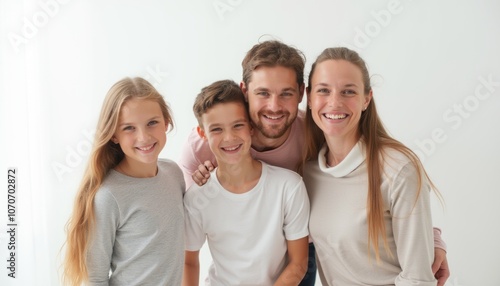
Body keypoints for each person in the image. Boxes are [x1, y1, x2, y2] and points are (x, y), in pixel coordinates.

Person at [178, 40, 450, 285]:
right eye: (263, 93)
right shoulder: (205, 143)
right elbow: (192, 213)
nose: (274, 106)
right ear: (245, 90)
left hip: (299, 247)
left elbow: (392, 185)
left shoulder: (316, 131)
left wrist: (430, 241)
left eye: (285, 93)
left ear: (301, 93)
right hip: (238, 257)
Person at [301, 47, 447, 285]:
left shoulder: (398, 169)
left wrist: (434, 241)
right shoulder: (309, 172)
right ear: (309, 97)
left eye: (348, 91)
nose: (334, 102)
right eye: (323, 90)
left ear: (366, 99)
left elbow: (417, 278)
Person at [182, 80, 310, 285]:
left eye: (237, 125)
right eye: (216, 129)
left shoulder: (289, 187)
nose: (229, 137)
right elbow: (188, 261)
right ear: (202, 134)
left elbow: (299, 262)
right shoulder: (197, 197)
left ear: (251, 127)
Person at [62, 77, 185, 285]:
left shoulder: (173, 173)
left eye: (152, 123)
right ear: (114, 135)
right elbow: (95, 278)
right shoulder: (108, 196)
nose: (144, 137)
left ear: (166, 122)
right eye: (129, 128)